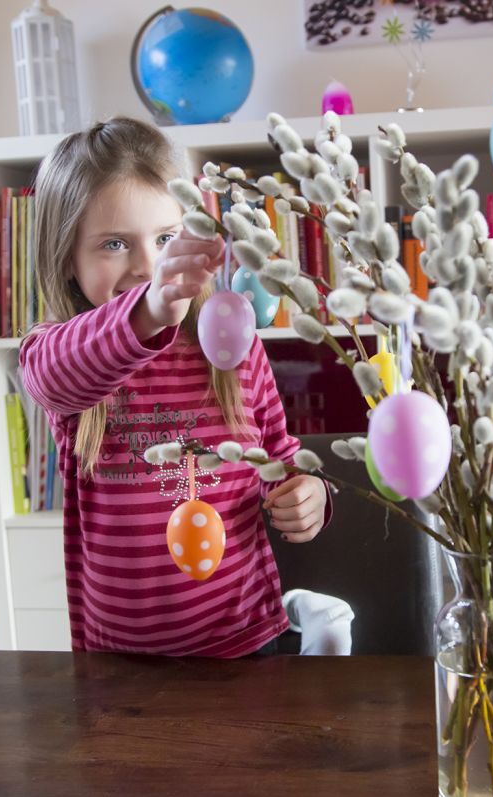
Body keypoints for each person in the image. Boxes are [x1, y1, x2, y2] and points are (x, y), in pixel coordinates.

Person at [20, 116, 351, 657]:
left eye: (165, 238)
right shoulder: (71, 350)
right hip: (119, 661)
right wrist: (148, 312)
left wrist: (309, 493)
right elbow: (47, 377)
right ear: (67, 261)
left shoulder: (229, 343)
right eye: (112, 244)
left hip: (244, 643)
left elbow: (281, 458)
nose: (147, 266)